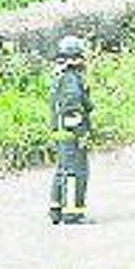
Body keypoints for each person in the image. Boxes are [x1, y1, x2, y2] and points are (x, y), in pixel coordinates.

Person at [48, 35, 95, 225]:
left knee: (63, 169)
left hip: (61, 132)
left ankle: (56, 209)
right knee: (76, 171)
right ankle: (72, 213)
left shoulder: (60, 75)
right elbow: (72, 108)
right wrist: (81, 133)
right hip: (71, 134)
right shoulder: (70, 79)